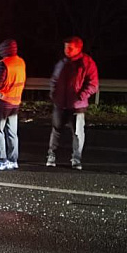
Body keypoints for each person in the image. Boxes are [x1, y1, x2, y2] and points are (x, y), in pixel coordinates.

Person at [47, 36, 99, 170]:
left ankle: (76, 159)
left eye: (70, 48)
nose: (67, 50)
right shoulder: (62, 63)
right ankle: (52, 155)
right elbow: (54, 79)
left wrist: (81, 95)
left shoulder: (87, 63)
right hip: (60, 104)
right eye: (65, 47)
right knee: (56, 130)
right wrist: (53, 93)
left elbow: (93, 84)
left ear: (78, 48)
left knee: (77, 133)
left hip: (77, 106)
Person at [0, 39, 26, 171]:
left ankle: (1, 159)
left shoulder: (4, 64)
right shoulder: (20, 61)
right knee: (12, 132)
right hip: (15, 102)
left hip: (2, 102)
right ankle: (13, 160)